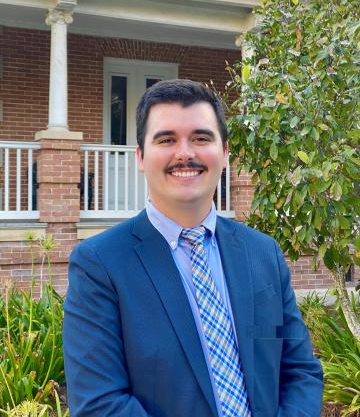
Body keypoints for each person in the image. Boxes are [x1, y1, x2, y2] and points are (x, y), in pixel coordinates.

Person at [63, 79, 323, 417]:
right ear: (141, 156)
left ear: (225, 152)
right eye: (167, 139)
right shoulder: (99, 264)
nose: (185, 152)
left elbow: (300, 372)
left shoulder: (263, 254)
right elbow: (100, 402)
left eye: (201, 138)